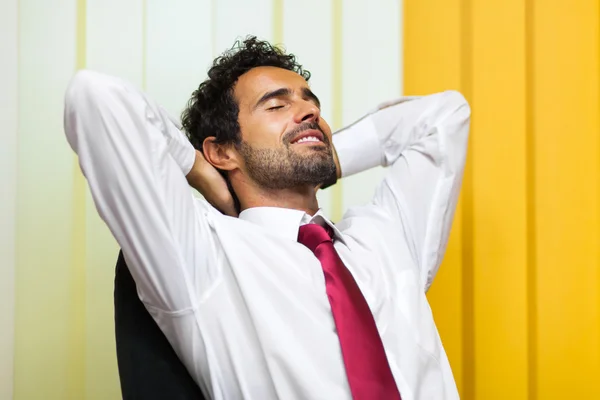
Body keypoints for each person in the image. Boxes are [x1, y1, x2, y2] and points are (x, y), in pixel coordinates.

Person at [64, 36, 470, 400]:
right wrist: (200, 170)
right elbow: (95, 98)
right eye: (277, 104)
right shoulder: (202, 256)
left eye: (312, 104)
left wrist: (320, 153)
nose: (309, 112)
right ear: (222, 151)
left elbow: (443, 118)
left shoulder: (385, 238)